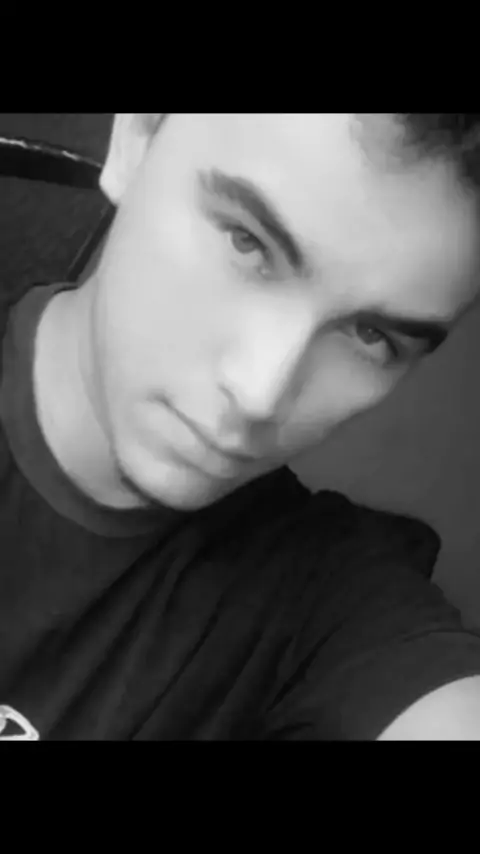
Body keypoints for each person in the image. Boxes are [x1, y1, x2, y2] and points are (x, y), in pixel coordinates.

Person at [1, 113, 480, 742]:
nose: (261, 393)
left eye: (371, 336)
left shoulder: (323, 601)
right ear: (136, 138)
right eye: (246, 242)